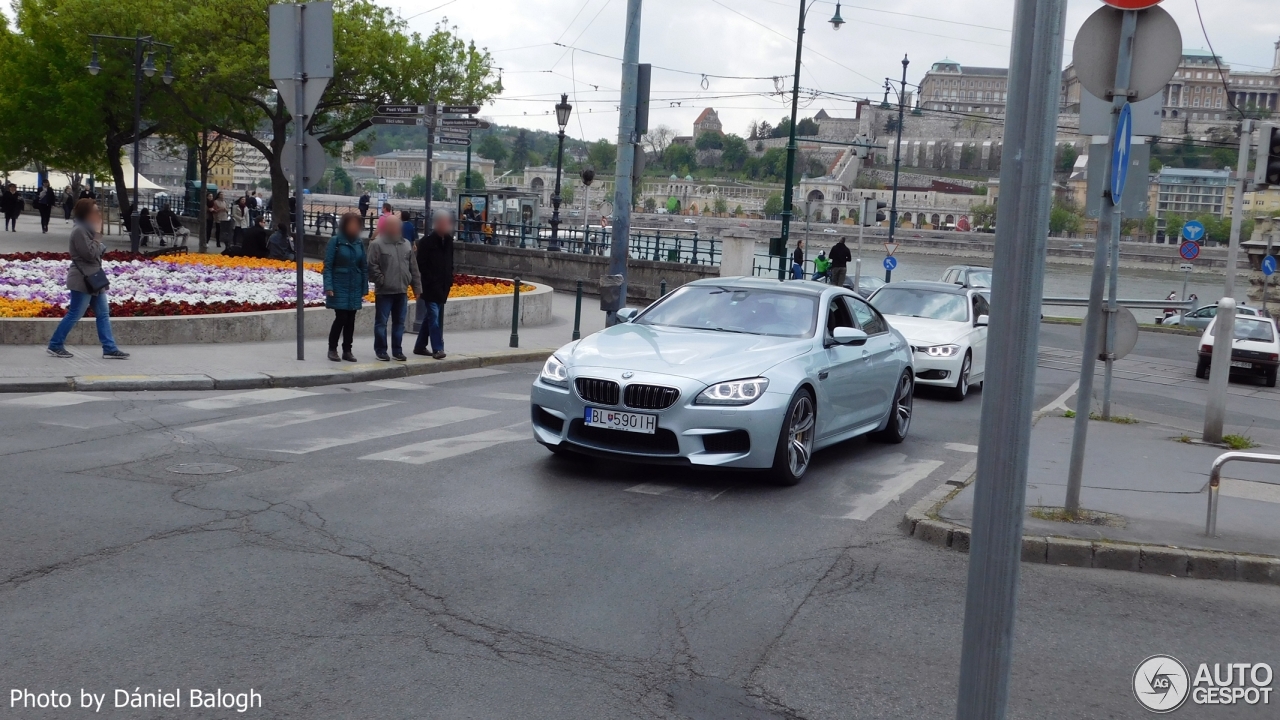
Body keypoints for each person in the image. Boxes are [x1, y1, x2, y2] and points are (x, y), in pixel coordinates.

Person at [46, 199, 129, 360]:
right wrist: (98, 236)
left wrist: (97, 238)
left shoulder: (88, 230)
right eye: (95, 211)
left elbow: (96, 252)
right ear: (86, 214)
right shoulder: (79, 231)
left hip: (95, 279)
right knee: (75, 314)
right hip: (82, 279)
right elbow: (90, 254)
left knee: (103, 314)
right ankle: (55, 344)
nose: (98, 214)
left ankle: (109, 348)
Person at [367, 214, 422, 361]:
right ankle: (381, 350)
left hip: (401, 291)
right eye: (394, 226)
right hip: (384, 291)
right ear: (387, 227)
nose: (397, 228)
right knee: (381, 323)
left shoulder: (406, 244)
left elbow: (413, 268)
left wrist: (417, 288)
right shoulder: (377, 244)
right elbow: (372, 266)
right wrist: (381, 281)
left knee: (399, 323)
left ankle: (397, 350)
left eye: (398, 226)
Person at [323, 213, 368, 363]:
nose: (354, 227)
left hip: (354, 285)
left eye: (357, 225)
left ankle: (347, 350)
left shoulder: (359, 243)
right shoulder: (336, 241)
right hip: (339, 284)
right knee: (341, 317)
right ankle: (332, 348)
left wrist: (364, 286)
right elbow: (328, 266)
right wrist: (329, 285)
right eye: (352, 224)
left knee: (351, 319)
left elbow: (363, 266)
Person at [413, 210, 455, 360]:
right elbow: (421, 266)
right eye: (443, 222)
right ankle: (438, 348)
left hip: (443, 287)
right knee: (434, 317)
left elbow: (449, 263)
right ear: (436, 224)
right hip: (430, 287)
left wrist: (449, 279)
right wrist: (428, 281)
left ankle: (419, 346)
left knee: (429, 318)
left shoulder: (449, 241)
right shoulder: (426, 242)